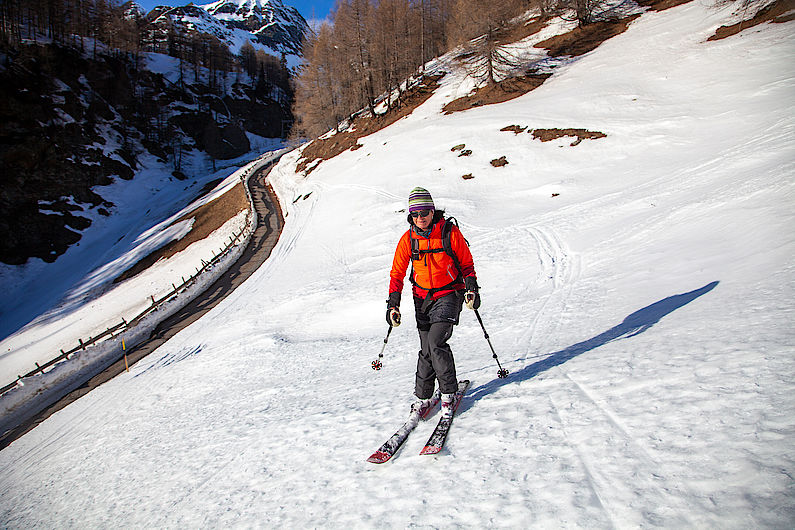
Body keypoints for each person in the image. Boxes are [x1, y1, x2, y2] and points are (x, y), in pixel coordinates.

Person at [386, 187, 480, 417]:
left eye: (425, 212)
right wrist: (393, 304)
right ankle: (424, 397)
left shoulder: (449, 232)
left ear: (432, 210)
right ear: (411, 216)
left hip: (450, 294)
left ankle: (449, 393)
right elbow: (397, 273)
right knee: (426, 349)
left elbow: (466, 263)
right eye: (416, 214)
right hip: (422, 299)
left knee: (436, 342)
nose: (421, 218)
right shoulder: (408, 239)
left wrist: (472, 289)